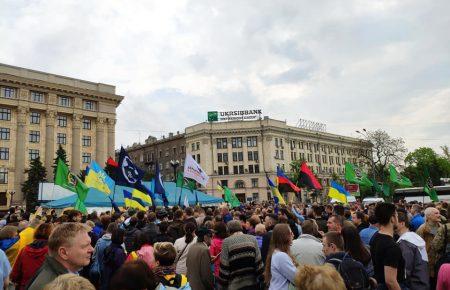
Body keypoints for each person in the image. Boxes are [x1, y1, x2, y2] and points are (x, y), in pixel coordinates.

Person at [27, 223, 94, 290]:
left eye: (90, 244)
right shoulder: (51, 286)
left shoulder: (62, 277)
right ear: (63, 253)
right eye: (85, 246)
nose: (92, 249)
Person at [217, 220, 264, 290]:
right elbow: (259, 263)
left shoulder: (226, 242)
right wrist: (262, 281)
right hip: (252, 284)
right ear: (241, 228)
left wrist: (221, 287)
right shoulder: (252, 239)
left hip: (235, 286)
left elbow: (224, 268)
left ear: (228, 230)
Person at [370, 202, 407, 289]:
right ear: (392, 219)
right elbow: (390, 281)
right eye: (397, 216)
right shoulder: (391, 246)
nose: (398, 218)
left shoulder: (375, 237)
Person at [11, 223, 53, 290]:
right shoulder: (52, 252)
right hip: (45, 287)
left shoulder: (25, 250)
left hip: (24, 286)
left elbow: (15, 273)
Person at [396, 211, 429, 290]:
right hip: (422, 282)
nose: (392, 224)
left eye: (394, 221)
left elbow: (405, 270)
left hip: (414, 285)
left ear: (402, 224)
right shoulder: (413, 237)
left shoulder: (405, 242)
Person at [264, 223, 297, 290]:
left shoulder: (277, 253)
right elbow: (296, 278)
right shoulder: (280, 256)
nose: (293, 235)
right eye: (290, 233)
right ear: (284, 236)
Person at [417, 206, 442, 284]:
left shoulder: (441, 227)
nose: (439, 215)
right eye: (436, 213)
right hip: (427, 263)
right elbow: (417, 247)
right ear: (428, 216)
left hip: (439, 262)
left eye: (439, 213)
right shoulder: (422, 229)